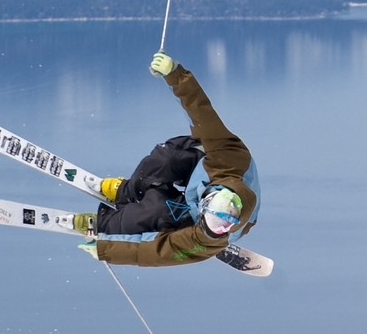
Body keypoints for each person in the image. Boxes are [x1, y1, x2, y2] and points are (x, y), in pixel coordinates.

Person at [87, 52, 258, 267]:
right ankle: (129, 191)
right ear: (208, 201)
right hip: (206, 164)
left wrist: (107, 250)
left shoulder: (209, 237)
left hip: (195, 208)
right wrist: (175, 73)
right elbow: (200, 111)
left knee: (155, 213)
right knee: (167, 159)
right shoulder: (228, 157)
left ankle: (107, 224)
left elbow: (161, 251)